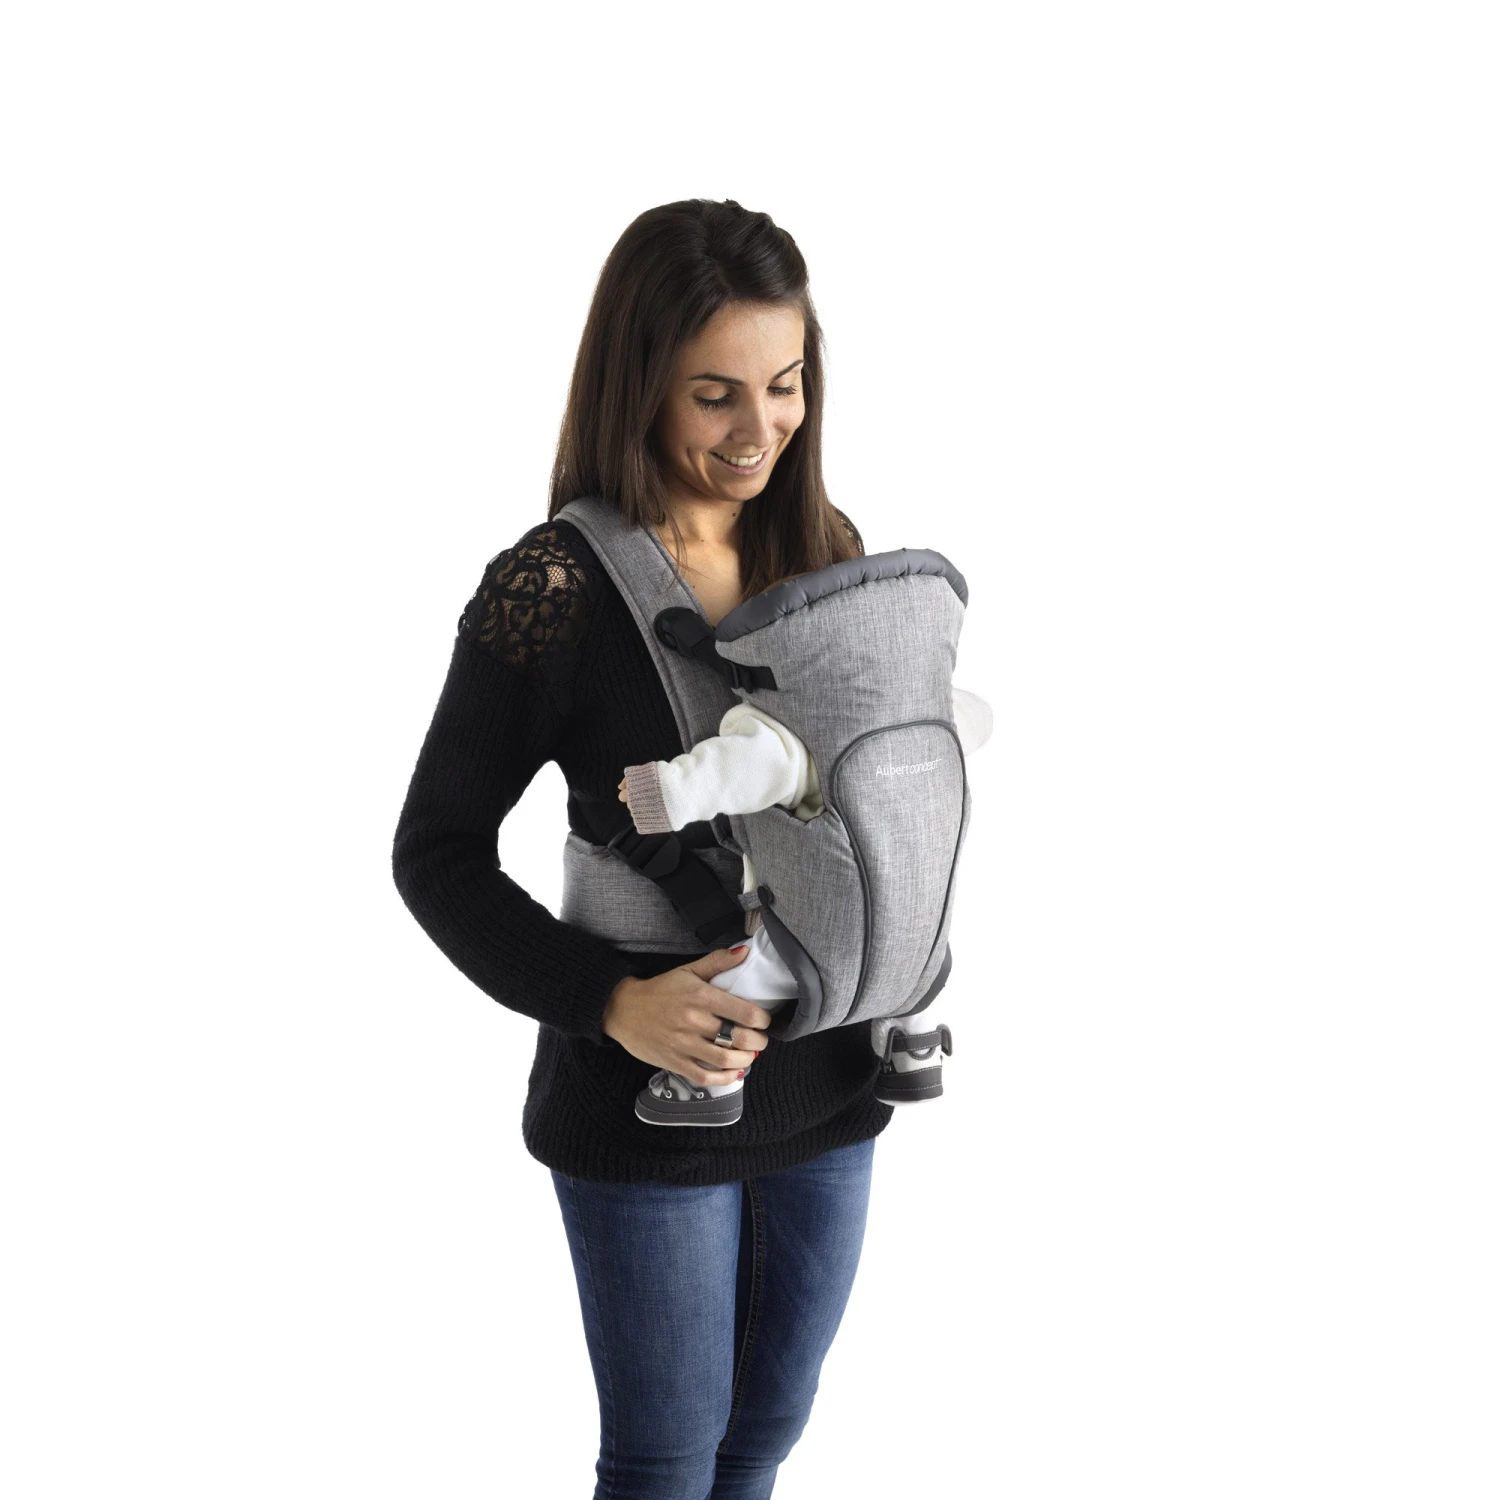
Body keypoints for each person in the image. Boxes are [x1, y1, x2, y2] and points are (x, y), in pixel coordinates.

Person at [392, 198, 949, 1498]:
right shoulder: (554, 585)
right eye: (714, 395)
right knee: (662, 1465)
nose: (759, 429)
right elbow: (437, 850)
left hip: (830, 1082)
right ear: (639, 383)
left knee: (762, 1441)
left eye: (785, 384)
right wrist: (611, 1000)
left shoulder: (827, 552)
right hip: (643, 1101)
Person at [618, 679, 992, 1124]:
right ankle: (917, 1054)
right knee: (915, 978)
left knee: (750, 979)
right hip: (917, 917)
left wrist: (657, 791)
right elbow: (979, 718)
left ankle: (709, 1083)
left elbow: (729, 770)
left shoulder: (794, 729)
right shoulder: (926, 714)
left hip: (818, 925)